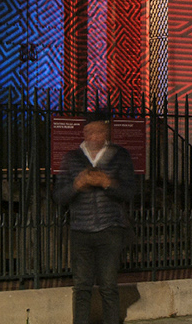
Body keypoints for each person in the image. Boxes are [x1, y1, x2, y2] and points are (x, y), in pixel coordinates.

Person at [52, 109, 139, 324]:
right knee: (81, 287)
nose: (94, 137)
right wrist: (76, 186)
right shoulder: (72, 158)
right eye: (90, 132)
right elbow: (59, 196)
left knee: (108, 285)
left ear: (107, 132)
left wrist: (107, 183)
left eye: (99, 131)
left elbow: (130, 192)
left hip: (110, 229)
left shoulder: (120, 156)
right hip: (81, 230)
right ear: (84, 133)